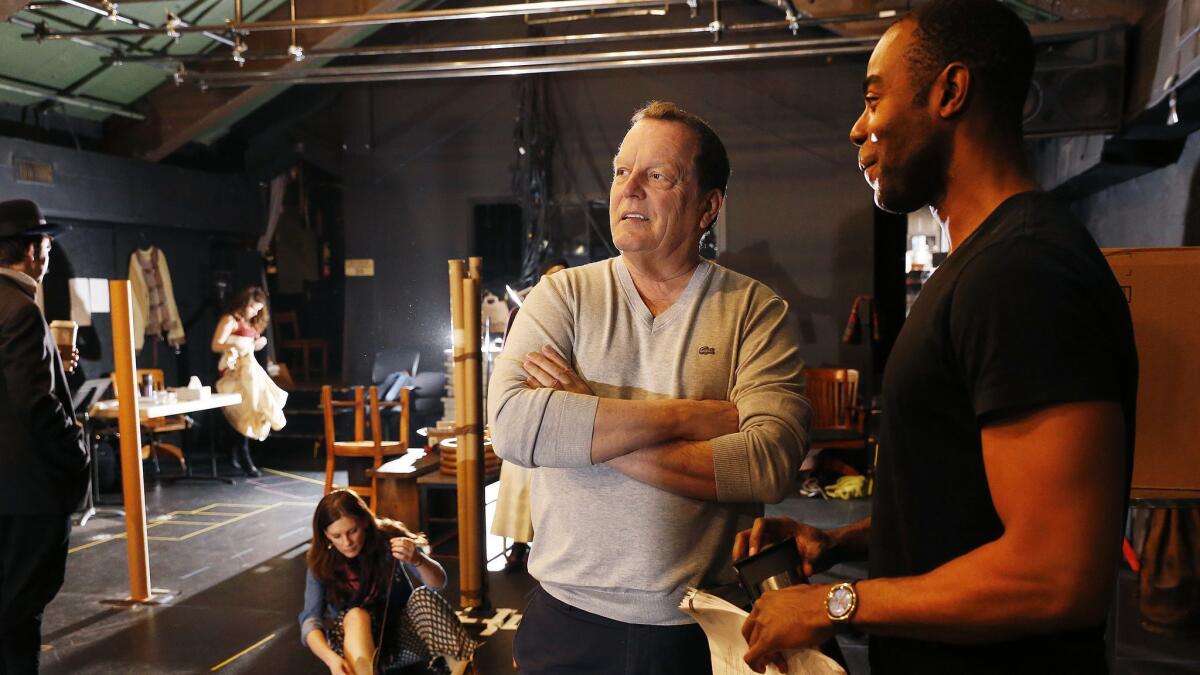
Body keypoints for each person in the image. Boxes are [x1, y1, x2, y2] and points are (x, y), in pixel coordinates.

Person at [735, 2, 1139, 673]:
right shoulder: (987, 265)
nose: (857, 127)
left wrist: (834, 602)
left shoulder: (1021, 270)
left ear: (950, 92)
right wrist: (839, 542)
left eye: (873, 97)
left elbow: (1056, 574)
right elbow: (961, 506)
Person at [488, 101, 811, 673]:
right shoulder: (560, 298)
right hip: (567, 623)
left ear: (708, 207)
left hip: (703, 629)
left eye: (658, 175)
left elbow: (769, 462)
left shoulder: (754, 311)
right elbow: (516, 428)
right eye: (620, 171)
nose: (629, 188)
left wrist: (587, 418)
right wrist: (692, 416)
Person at [0, 198, 90, 674]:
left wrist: (54, 366)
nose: (50, 247)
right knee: (20, 612)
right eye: (45, 239)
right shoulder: (20, 309)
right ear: (33, 251)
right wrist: (76, 453)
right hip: (28, 490)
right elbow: (32, 404)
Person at [299, 490, 477, 675]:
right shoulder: (320, 561)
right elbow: (310, 620)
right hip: (353, 645)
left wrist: (418, 559)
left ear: (365, 522)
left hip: (402, 639)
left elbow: (438, 583)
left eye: (352, 531)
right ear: (325, 535)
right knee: (355, 615)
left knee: (422, 596)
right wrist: (332, 660)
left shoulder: (389, 538)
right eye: (337, 536)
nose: (347, 542)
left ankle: (462, 667)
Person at [489, 257, 570, 572]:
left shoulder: (580, 313)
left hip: (563, 401)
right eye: (551, 278)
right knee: (520, 474)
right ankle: (519, 544)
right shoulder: (521, 315)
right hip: (528, 399)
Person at [210, 286, 287, 477]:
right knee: (246, 407)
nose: (254, 312)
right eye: (253, 307)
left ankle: (237, 452)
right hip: (233, 371)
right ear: (245, 303)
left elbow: (250, 344)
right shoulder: (230, 320)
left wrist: (256, 343)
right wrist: (235, 343)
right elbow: (216, 345)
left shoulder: (249, 323)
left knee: (253, 404)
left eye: (258, 309)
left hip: (249, 369)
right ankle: (242, 455)